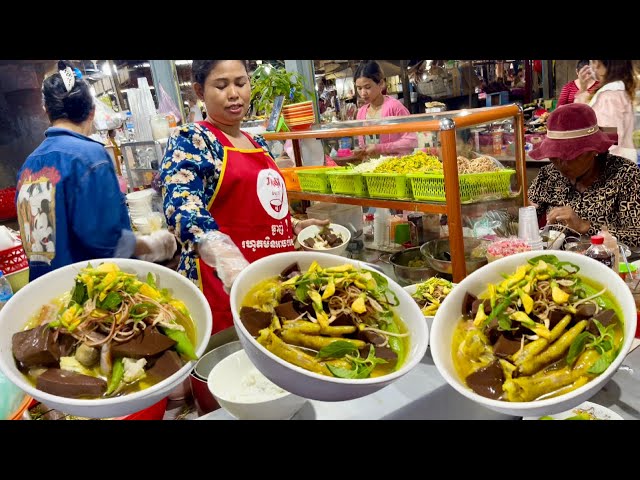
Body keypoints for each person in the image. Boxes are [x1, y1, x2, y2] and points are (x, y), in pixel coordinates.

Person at [159, 60, 329, 334]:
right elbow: (181, 205)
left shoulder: (259, 144)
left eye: (240, 83)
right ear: (200, 91)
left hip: (275, 283)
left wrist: (294, 227)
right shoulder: (192, 139)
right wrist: (223, 252)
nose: (234, 94)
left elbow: (261, 205)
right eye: (221, 85)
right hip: (220, 287)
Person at [15, 60, 177, 281]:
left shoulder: (28, 167)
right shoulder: (91, 157)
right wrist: (151, 244)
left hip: (46, 295)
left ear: (46, 111)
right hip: (87, 295)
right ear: (92, 112)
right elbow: (105, 241)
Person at [527, 102, 640, 248]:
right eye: (554, 156)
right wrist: (521, 209)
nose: (562, 164)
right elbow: (524, 217)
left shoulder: (625, 174)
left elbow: (637, 235)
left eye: (571, 156)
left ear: (594, 150)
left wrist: (584, 226)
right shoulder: (548, 174)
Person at [574, 60, 637, 162]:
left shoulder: (610, 96)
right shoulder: (614, 91)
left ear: (597, 62)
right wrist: (583, 89)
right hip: (618, 163)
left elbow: (609, 142)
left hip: (613, 166)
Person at [354, 60, 418, 157]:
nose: (363, 93)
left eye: (367, 87)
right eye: (359, 88)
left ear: (381, 84)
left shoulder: (395, 107)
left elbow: (411, 141)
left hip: (394, 166)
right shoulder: (361, 112)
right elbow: (362, 143)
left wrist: (380, 148)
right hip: (370, 167)